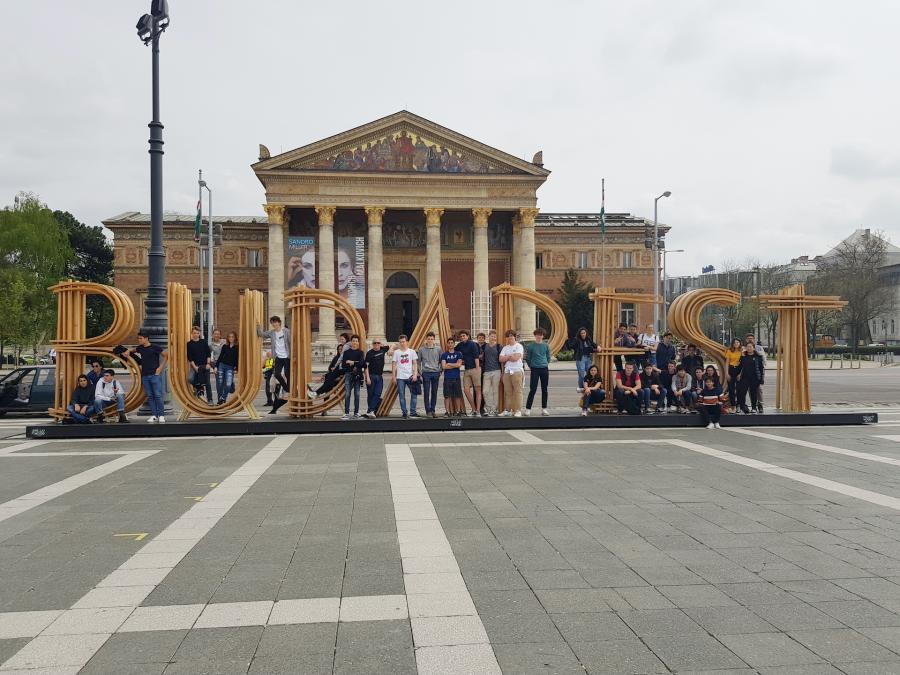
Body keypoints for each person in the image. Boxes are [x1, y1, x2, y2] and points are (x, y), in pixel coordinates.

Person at [124, 330, 168, 423]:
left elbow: (166, 356)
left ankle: (161, 415)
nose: (139, 340)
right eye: (138, 338)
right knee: (150, 396)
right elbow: (133, 350)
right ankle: (154, 415)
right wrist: (128, 350)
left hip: (154, 375)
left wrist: (160, 368)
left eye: (141, 338)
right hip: (145, 375)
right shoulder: (140, 348)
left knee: (158, 396)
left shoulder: (155, 347)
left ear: (146, 338)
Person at [257, 316, 290, 414]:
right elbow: (261, 334)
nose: (274, 324)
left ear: (279, 323)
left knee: (288, 375)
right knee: (277, 374)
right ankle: (287, 389)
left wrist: (294, 355)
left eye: (275, 322)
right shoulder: (272, 333)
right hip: (278, 357)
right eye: (272, 323)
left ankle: (275, 408)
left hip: (287, 357)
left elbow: (291, 342)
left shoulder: (286, 331)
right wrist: (258, 325)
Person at [525, 328, 551, 416]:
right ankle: (528, 409)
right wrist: (531, 365)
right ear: (535, 335)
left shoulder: (546, 345)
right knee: (533, 389)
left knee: (544, 389)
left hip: (544, 368)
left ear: (543, 336)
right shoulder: (531, 346)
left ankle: (544, 409)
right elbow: (528, 358)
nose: (539, 336)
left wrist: (545, 363)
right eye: (537, 335)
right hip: (534, 369)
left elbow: (548, 357)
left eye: (541, 335)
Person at [392, 334, 420, 418]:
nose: (402, 343)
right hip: (400, 377)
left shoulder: (412, 351)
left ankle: (412, 411)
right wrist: (393, 377)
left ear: (407, 342)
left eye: (403, 342)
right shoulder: (396, 352)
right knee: (401, 395)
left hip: (410, 376)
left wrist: (415, 374)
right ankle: (404, 412)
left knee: (414, 394)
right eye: (400, 342)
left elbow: (415, 364)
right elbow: (394, 365)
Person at [455, 330, 482, 416]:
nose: (462, 337)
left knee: (477, 390)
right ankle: (473, 409)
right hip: (466, 370)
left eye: (464, 336)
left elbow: (476, 357)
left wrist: (477, 369)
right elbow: (454, 351)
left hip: (475, 369)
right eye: (461, 336)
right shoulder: (460, 345)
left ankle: (478, 411)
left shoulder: (472, 344)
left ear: (468, 336)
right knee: (466, 390)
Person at [499, 330, 525, 417]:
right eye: (508, 336)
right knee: (508, 392)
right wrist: (510, 356)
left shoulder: (519, 346)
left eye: (511, 336)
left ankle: (518, 410)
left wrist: (507, 357)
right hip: (507, 371)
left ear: (515, 337)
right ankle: (508, 410)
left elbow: (516, 358)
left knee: (518, 391)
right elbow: (500, 359)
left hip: (517, 370)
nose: (510, 337)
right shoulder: (505, 348)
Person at [363, 339, 391, 418]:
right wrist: (367, 377)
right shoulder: (369, 353)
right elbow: (366, 367)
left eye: (378, 343)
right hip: (371, 376)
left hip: (379, 376)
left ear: (380, 344)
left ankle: (370, 411)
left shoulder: (383, 349)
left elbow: (395, 345)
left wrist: (390, 350)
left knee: (378, 394)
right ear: (372, 344)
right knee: (371, 395)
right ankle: (371, 411)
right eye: (374, 343)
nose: (376, 344)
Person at [418, 332, 442, 418]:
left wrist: (440, 371)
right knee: (426, 392)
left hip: (436, 373)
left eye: (432, 339)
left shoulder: (438, 349)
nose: (430, 340)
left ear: (434, 339)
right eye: (428, 339)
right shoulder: (421, 349)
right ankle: (428, 411)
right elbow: (418, 362)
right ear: (426, 339)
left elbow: (441, 361)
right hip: (426, 373)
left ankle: (433, 410)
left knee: (434, 392)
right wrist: (420, 372)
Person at [341, 334, 365, 420]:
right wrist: (356, 362)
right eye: (353, 341)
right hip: (348, 374)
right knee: (347, 394)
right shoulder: (346, 352)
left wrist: (352, 362)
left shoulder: (361, 352)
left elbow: (362, 363)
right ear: (351, 342)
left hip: (357, 375)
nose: (355, 342)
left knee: (357, 394)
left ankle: (356, 412)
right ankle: (346, 413)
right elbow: (344, 364)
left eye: (356, 341)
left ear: (358, 343)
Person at [566, 327, 598, 391]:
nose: (583, 334)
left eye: (584, 333)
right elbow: (570, 346)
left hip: (588, 358)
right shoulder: (577, 340)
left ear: (586, 333)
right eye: (581, 333)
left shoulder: (588, 340)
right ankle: (581, 388)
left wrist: (597, 347)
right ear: (579, 334)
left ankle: (589, 386)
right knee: (581, 374)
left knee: (590, 373)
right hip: (580, 359)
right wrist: (567, 340)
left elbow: (592, 346)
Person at [187, 326, 213, 403]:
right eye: (194, 333)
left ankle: (210, 399)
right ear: (192, 333)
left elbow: (208, 354)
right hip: (195, 365)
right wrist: (195, 368)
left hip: (205, 365)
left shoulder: (203, 342)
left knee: (207, 383)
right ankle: (199, 388)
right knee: (190, 379)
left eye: (197, 333)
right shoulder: (189, 344)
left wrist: (208, 364)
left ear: (199, 334)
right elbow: (190, 357)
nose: (196, 334)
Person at [736, 341, 764, 414]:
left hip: (754, 378)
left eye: (750, 347)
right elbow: (739, 367)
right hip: (745, 378)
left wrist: (761, 379)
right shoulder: (743, 357)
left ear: (754, 348)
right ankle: (743, 407)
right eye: (747, 347)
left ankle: (754, 408)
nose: (749, 348)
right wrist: (741, 357)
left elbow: (761, 369)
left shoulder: (758, 357)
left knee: (753, 393)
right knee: (742, 393)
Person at [440, 337, 465, 417]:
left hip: (456, 377)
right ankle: (447, 412)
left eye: (452, 343)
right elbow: (443, 366)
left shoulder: (458, 354)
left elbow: (459, 365)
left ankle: (457, 411)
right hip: (447, 377)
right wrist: (454, 365)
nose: (450, 344)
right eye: (449, 343)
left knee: (458, 395)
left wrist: (449, 364)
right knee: (447, 395)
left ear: (454, 344)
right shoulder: (444, 354)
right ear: (447, 344)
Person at [481, 330, 502, 417]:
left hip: (496, 371)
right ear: (488, 337)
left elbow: (501, 360)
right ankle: (489, 407)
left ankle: (494, 409)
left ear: (496, 337)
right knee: (485, 391)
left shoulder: (498, 346)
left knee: (495, 391)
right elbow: (480, 356)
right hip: (487, 371)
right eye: (491, 336)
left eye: (494, 336)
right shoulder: (485, 346)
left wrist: (503, 371)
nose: (493, 338)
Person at [745, 333, 767, 413]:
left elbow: (763, 359)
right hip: (748, 375)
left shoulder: (759, 348)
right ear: (746, 340)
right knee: (751, 391)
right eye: (748, 338)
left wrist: (761, 377)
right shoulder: (744, 349)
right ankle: (754, 405)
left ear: (754, 339)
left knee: (759, 390)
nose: (750, 339)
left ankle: (760, 405)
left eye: (751, 338)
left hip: (757, 373)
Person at [217, 332, 239, 405]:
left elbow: (238, 359)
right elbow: (220, 357)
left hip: (230, 367)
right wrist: (216, 367)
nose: (231, 338)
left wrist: (237, 368)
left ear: (235, 338)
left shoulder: (237, 347)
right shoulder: (225, 346)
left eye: (232, 337)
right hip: (222, 365)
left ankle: (223, 397)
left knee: (228, 384)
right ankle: (221, 399)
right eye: (229, 337)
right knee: (220, 383)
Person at [725, 338, 743, 411]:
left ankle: (738, 405)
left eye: (738, 342)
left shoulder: (742, 351)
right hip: (731, 369)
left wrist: (740, 373)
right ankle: (733, 406)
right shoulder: (729, 351)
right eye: (735, 342)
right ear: (732, 344)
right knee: (731, 389)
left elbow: (743, 363)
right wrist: (726, 373)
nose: (736, 344)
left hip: (739, 370)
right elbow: (727, 363)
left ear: (740, 343)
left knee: (739, 389)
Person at [209, 328, 225, 400]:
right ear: (213, 335)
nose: (216, 335)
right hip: (217, 364)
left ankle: (231, 387)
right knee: (219, 382)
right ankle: (220, 399)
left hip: (226, 363)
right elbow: (207, 355)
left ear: (220, 335)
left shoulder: (224, 342)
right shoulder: (210, 345)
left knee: (228, 381)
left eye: (218, 334)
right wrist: (211, 365)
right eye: (215, 334)